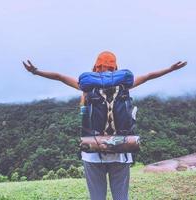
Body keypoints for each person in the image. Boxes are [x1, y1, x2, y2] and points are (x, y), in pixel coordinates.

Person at [23, 51, 187, 200]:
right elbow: (149, 75)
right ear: (115, 67)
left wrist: (35, 71)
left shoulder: (87, 86)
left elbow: (59, 76)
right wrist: (170, 69)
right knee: (121, 197)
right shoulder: (124, 84)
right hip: (121, 150)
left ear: (95, 67)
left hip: (92, 152)